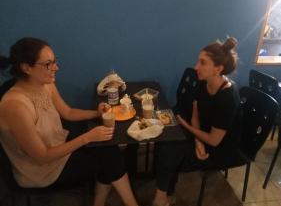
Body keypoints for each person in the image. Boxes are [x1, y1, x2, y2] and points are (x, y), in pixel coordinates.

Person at [0, 38, 139, 206]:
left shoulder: (44, 83)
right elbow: (42, 157)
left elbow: (68, 112)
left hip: (57, 142)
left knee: (107, 146)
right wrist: (87, 137)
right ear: (26, 68)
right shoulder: (15, 105)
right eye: (48, 64)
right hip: (40, 170)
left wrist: (96, 113)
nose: (56, 68)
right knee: (108, 160)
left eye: (55, 61)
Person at [152, 37, 240, 206]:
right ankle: (163, 195)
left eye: (202, 62)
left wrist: (187, 128)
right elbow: (195, 115)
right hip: (202, 133)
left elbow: (214, 140)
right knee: (167, 139)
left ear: (218, 69)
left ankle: (161, 197)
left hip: (220, 148)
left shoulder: (228, 97)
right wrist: (197, 140)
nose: (195, 67)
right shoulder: (203, 82)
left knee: (170, 150)